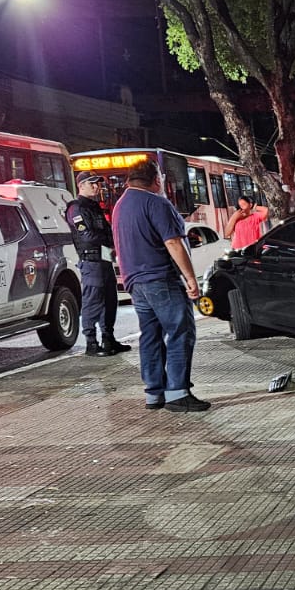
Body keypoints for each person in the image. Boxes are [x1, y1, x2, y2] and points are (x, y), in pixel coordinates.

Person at [110, 159, 208, 412]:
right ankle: (178, 392)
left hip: (135, 281)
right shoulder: (156, 203)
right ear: (156, 180)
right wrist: (190, 278)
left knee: (150, 336)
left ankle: (154, 393)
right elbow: (174, 243)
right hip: (161, 278)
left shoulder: (120, 206)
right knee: (180, 331)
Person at [66, 173, 129, 357]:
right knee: (93, 301)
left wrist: (112, 242)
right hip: (91, 260)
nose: (96, 187)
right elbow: (87, 236)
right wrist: (109, 241)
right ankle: (91, 343)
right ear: (81, 186)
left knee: (110, 300)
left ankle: (108, 340)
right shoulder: (76, 208)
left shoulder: (94, 207)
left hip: (104, 259)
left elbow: (106, 231)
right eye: (92, 184)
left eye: (97, 184)